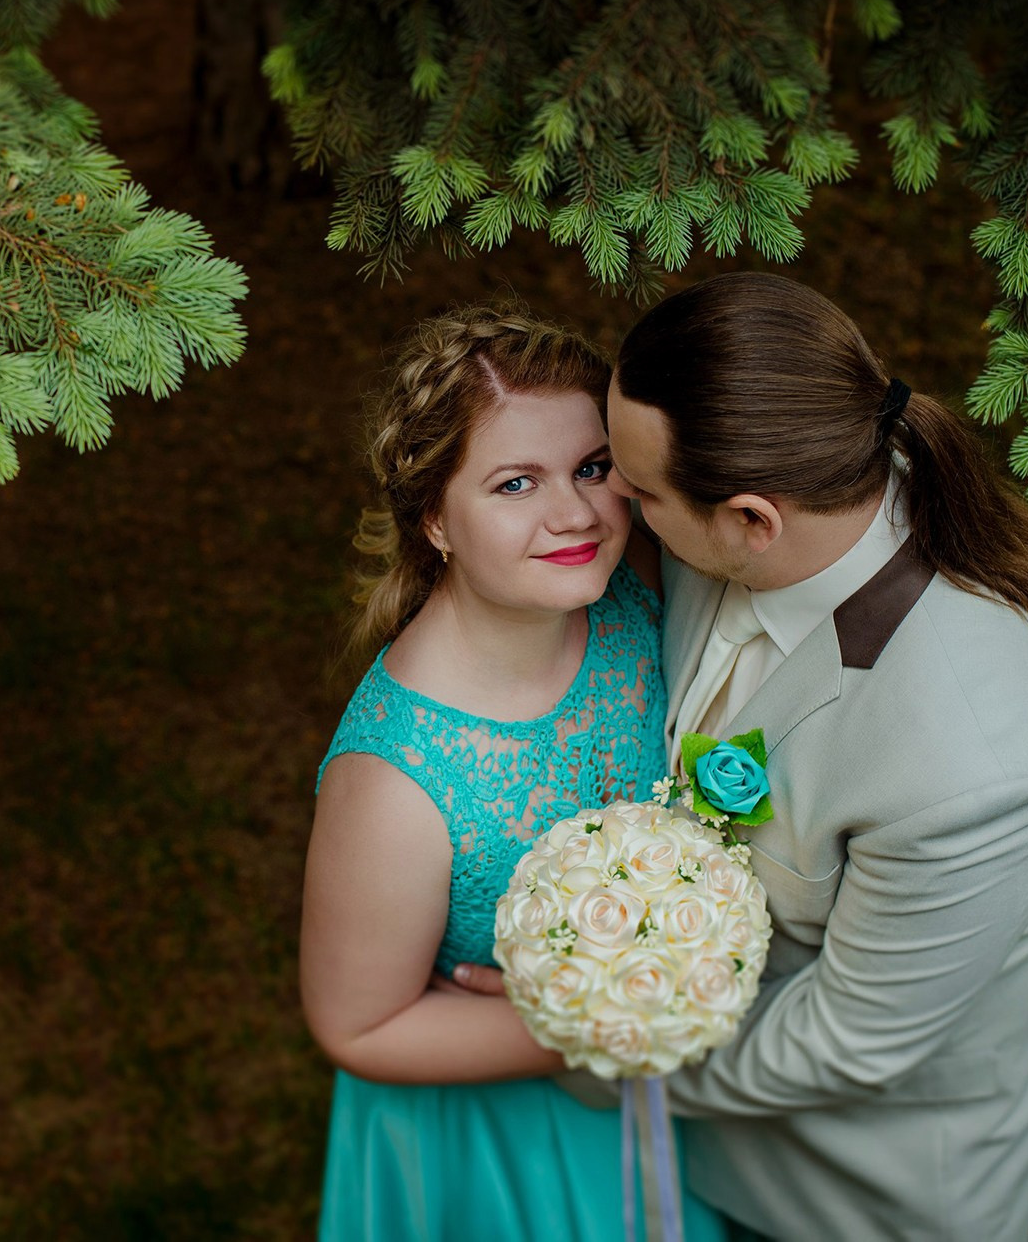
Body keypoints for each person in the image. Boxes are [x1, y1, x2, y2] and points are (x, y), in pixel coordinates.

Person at [462, 272, 1028, 1240]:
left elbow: (850, 1040)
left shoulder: (973, 765)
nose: (613, 516)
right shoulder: (799, 481)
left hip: (849, 1185)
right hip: (697, 1119)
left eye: (637, 493)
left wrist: (585, 1047)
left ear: (750, 521)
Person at [299, 308, 728, 1240]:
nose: (573, 513)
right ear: (434, 521)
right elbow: (359, 1026)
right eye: (514, 483)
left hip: (676, 1099)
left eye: (590, 467)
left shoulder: (634, 585)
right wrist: (612, 1012)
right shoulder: (396, 776)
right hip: (503, 1132)